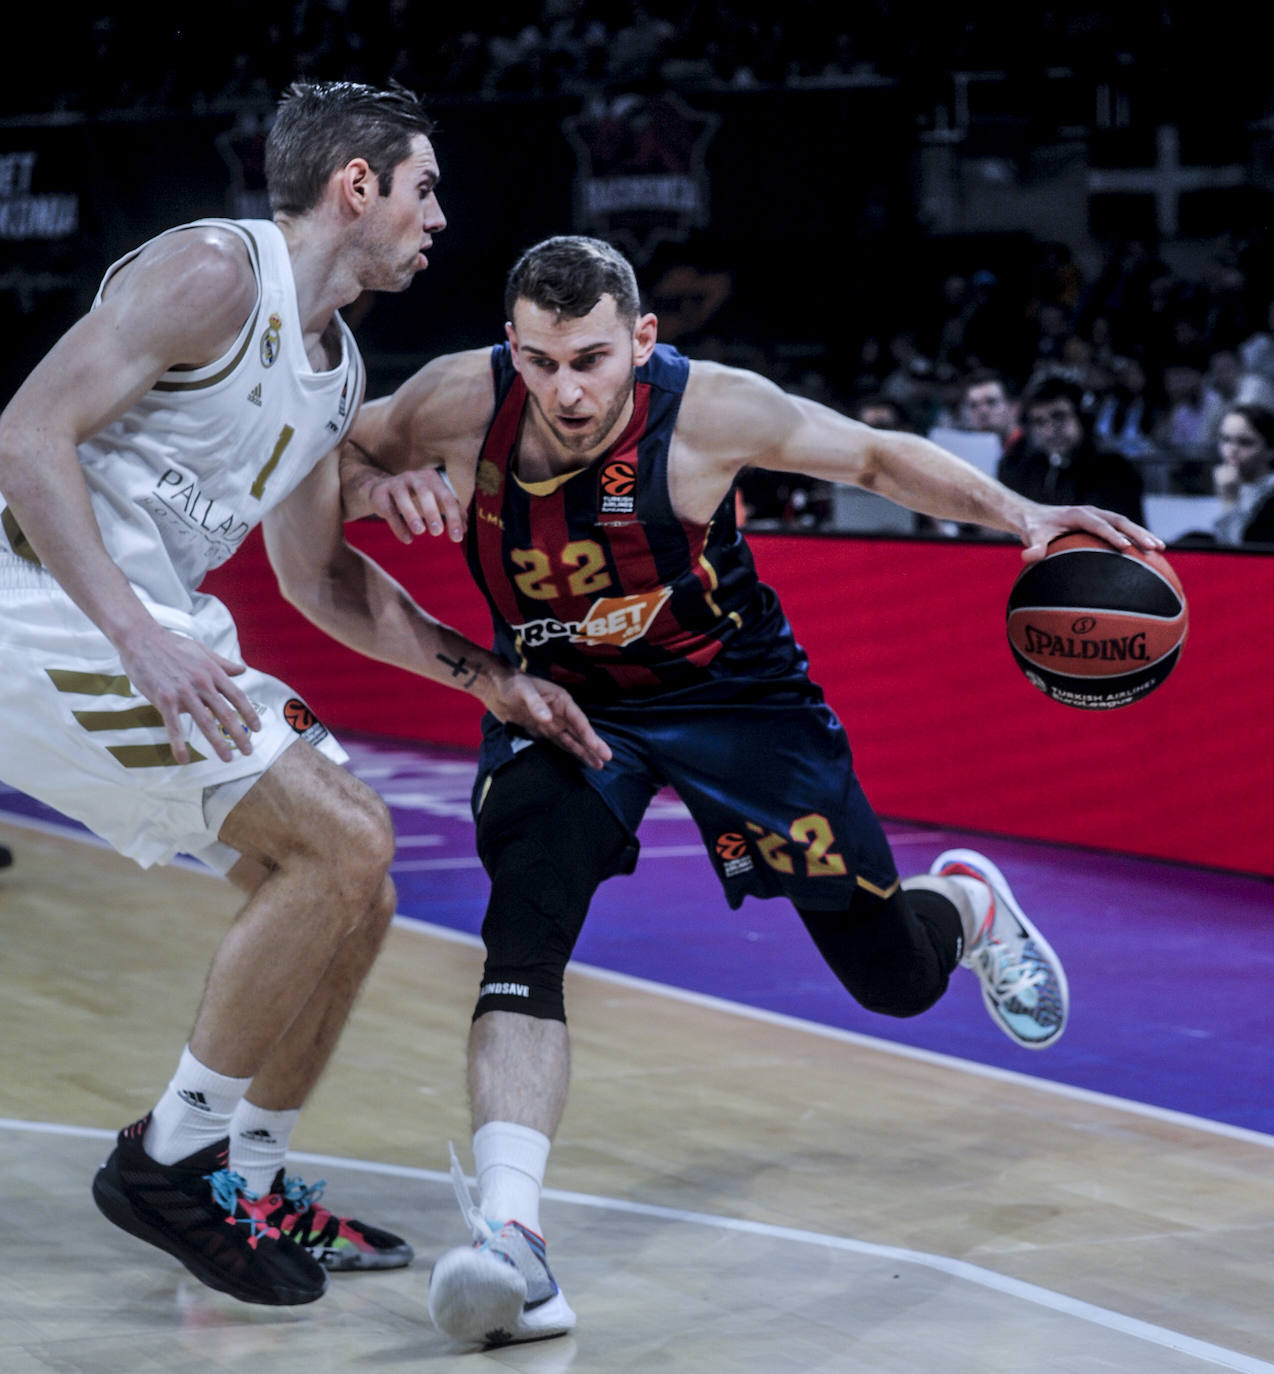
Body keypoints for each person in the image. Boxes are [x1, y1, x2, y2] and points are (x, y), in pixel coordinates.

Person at [339, 236, 1165, 1346]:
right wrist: (373, 482)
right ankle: (513, 1244)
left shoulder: (714, 411)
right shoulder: (454, 401)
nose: (565, 391)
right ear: (511, 347)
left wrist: (1020, 515)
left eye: (590, 360)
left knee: (892, 981)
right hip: (565, 701)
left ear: (642, 339)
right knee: (523, 925)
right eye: (540, 362)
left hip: (736, 700)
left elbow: (873, 458)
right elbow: (330, 455)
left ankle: (967, 907)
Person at [0, 88, 608, 1308]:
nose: (438, 217)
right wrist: (137, 636)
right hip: (43, 610)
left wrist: (492, 680)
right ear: (355, 187)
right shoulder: (214, 273)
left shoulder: (336, 370)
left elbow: (317, 578)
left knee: (356, 889)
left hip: (151, 622)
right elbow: (23, 437)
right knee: (343, 840)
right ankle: (170, 1162)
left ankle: (251, 1180)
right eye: (423, 188)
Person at [999, 372, 1146, 525]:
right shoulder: (1027, 469)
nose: (1049, 431)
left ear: (1082, 417)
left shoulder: (1115, 469)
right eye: (1039, 422)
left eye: (1059, 417)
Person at [1212, 403, 1274, 545]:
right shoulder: (1228, 484)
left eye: (1245, 443)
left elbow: (1236, 551)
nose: (1232, 450)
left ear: (1270, 450)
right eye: (1226, 440)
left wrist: (1230, 502)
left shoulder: (1270, 498)